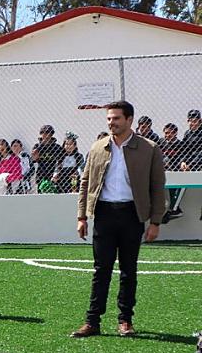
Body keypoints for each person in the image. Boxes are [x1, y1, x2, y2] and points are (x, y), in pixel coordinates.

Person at [72, 100, 165, 338]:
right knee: (101, 269)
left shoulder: (149, 148)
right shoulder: (97, 148)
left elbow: (157, 187)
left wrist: (155, 221)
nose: (111, 123)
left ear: (129, 120)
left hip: (132, 215)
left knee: (128, 270)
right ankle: (92, 321)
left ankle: (125, 320)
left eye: (116, 118)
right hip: (103, 214)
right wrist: (82, 216)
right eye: (109, 119)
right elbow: (85, 183)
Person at [159, 123, 184, 223]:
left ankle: (174, 208)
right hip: (162, 169)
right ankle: (166, 206)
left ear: (175, 133)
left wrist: (171, 165)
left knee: (175, 187)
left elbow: (181, 158)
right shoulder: (161, 142)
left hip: (174, 170)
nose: (167, 135)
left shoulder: (179, 144)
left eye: (170, 133)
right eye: (166, 133)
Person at [32, 124, 64, 193]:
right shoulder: (37, 146)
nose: (45, 135)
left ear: (51, 134)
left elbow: (60, 162)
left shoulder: (57, 147)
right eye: (42, 132)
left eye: (47, 132)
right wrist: (41, 145)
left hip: (52, 175)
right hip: (41, 174)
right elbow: (34, 158)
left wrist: (57, 173)